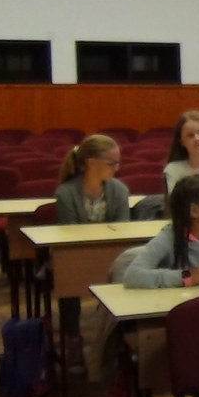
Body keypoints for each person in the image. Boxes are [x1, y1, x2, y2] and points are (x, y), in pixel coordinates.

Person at [54, 134, 131, 372]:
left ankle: (119, 338)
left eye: (118, 162)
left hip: (112, 253)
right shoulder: (66, 193)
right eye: (111, 163)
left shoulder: (119, 190)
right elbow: (69, 234)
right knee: (68, 279)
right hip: (77, 254)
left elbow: (123, 229)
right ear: (91, 162)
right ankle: (72, 339)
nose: (117, 168)